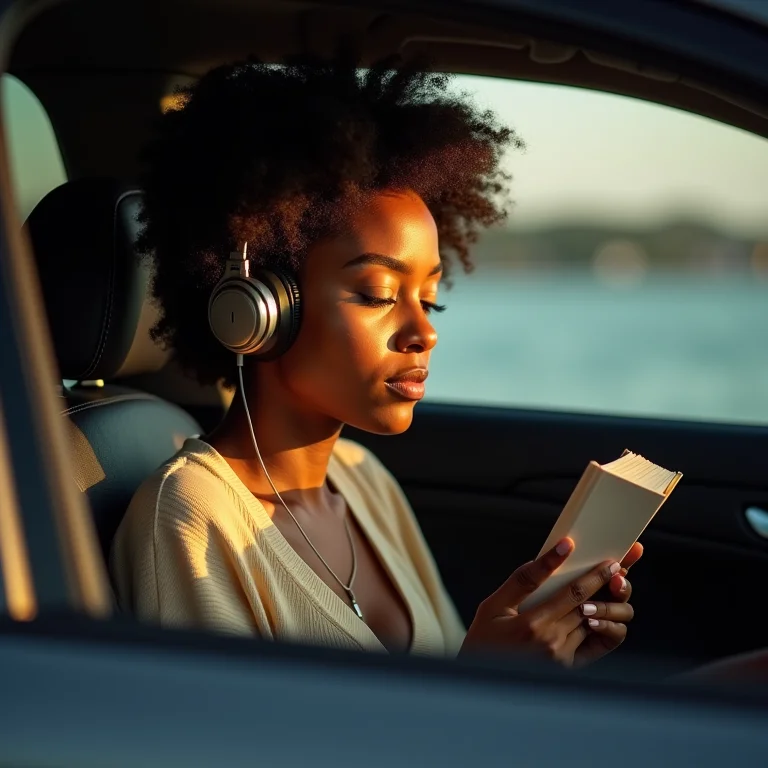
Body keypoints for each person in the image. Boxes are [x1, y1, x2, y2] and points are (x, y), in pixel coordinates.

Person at [111, 52, 640, 665]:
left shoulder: (363, 481)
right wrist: (483, 684)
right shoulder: (189, 518)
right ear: (257, 306)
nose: (424, 333)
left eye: (431, 301)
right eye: (378, 295)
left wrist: (536, 663)